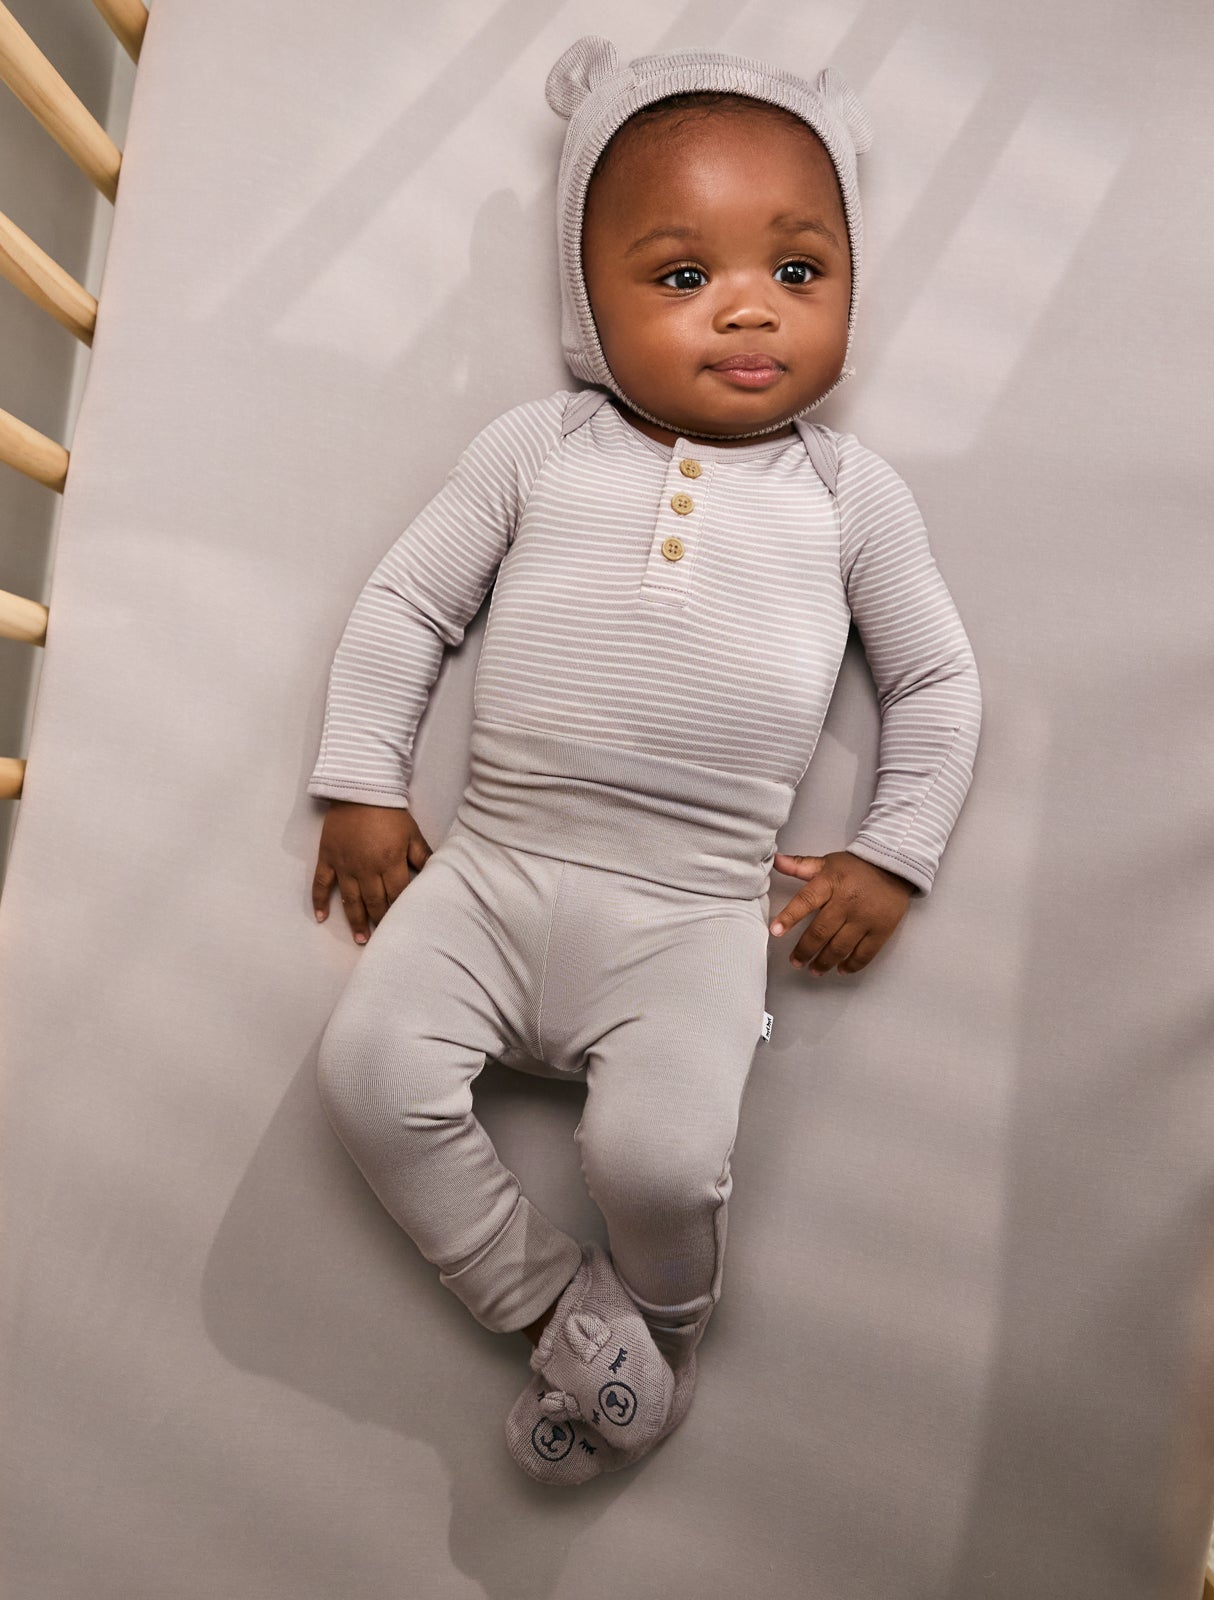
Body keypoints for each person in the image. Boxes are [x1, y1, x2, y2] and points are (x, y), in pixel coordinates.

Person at [306, 37, 982, 1485]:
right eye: (682, 275)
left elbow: (933, 679)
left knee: (661, 1165)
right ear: (585, 301)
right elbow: (410, 603)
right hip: (494, 865)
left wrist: (893, 851)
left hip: (694, 907)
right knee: (365, 1076)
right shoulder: (540, 447)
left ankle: (661, 1325)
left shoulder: (849, 495)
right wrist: (364, 781)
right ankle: (561, 1308)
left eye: (798, 270)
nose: (749, 305)